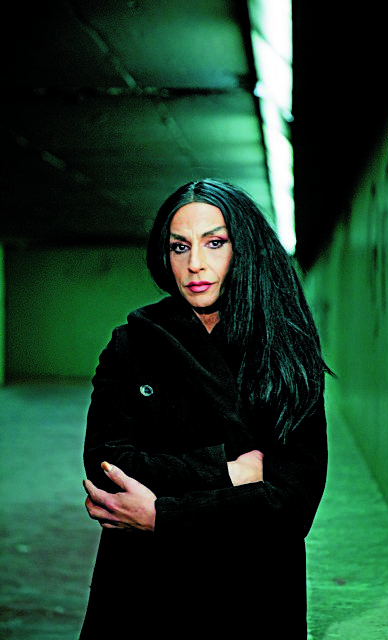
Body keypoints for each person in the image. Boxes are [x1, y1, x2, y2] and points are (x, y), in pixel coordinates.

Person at [80, 179, 330, 639]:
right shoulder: (132, 344)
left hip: (251, 588)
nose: (195, 263)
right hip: (144, 585)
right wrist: (229, 472)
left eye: (214, 243)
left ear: (244, 249)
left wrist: (161, 515)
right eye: (180, 247)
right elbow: (106, 466)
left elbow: (291, 503)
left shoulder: (285, 351)